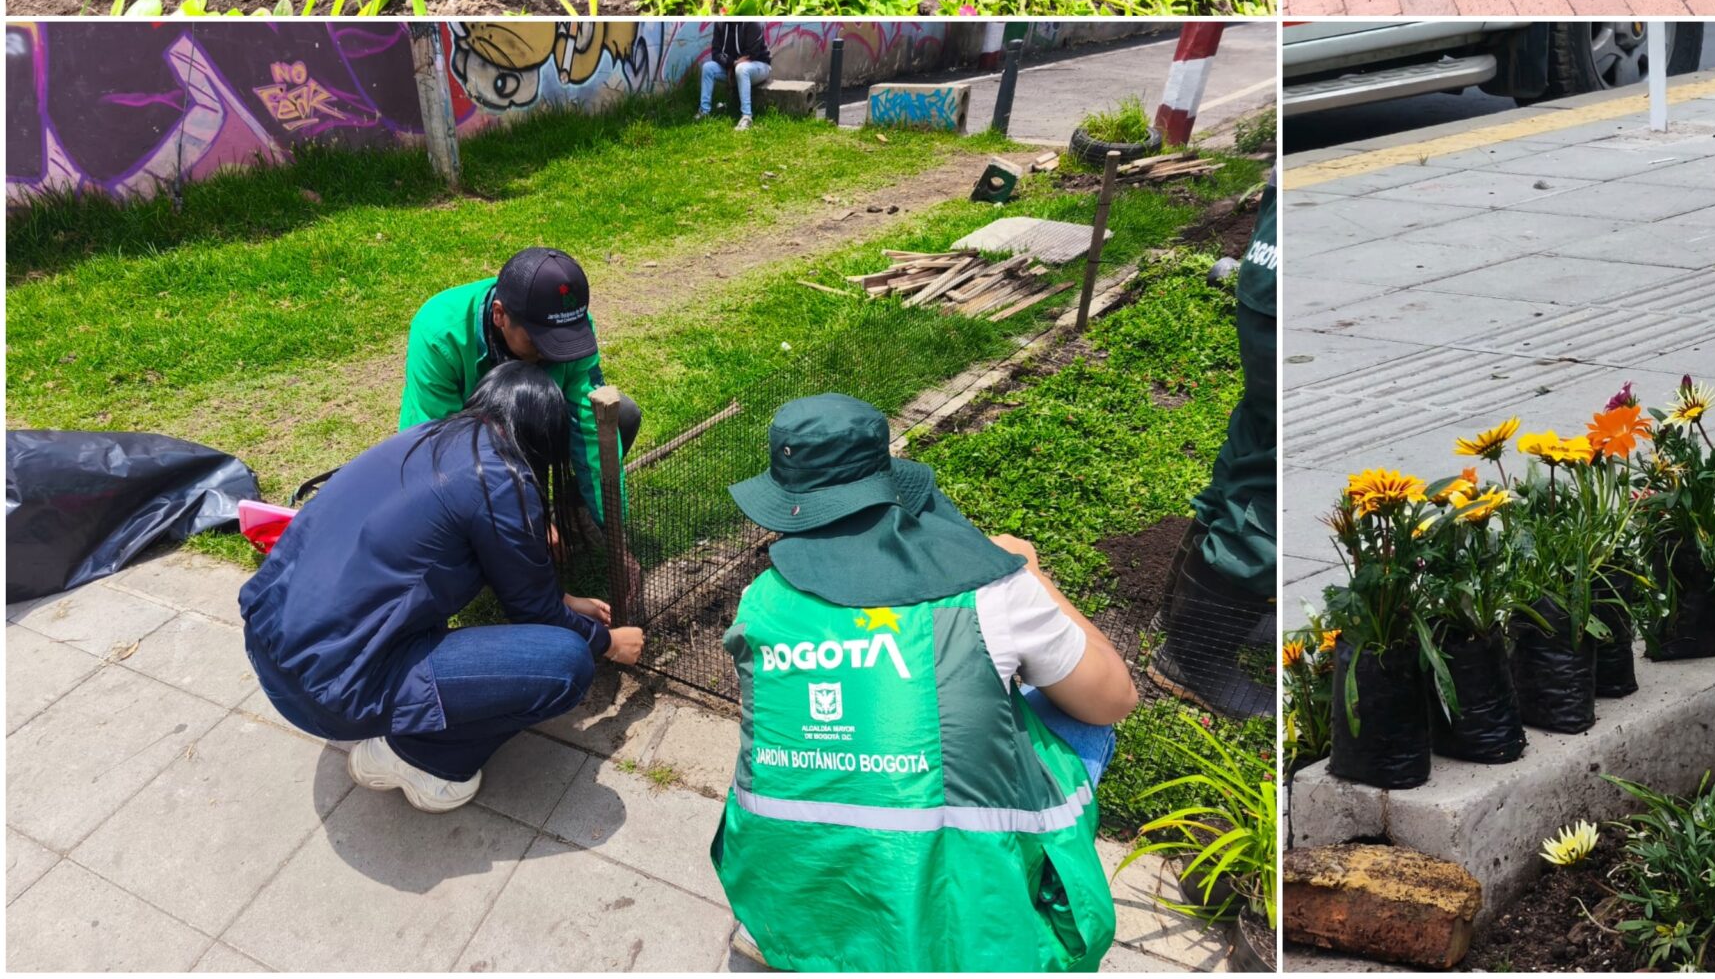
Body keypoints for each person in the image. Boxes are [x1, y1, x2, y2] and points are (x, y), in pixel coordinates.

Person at [712, 394, 1138, 972]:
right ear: (886, 484)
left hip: (791, 913)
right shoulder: (988, 594)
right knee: (1081, 723)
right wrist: (1029, 573)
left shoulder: (758, 603)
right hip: (970, 933)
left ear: (791, 503)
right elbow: (1116, 697)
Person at [239, 362, 645, 812]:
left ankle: (396, 713)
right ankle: (418, 760)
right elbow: (534, 614)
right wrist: (607, 642)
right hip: (325, 693)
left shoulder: (431, 438)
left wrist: (565, 600)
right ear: (544, 433)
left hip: (270, 642)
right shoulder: (501, 480)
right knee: (566, 664)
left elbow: (504, 567)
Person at [400, 247, 635, 532]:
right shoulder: (439, 334)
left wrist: (614, 532)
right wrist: (525, 517)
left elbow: (591, 427)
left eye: (561, 344)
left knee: (624, 416)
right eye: (540, 343)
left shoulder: (570, 328)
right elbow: (442, 451)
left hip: (529, 431)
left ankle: (573, 510)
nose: (550, 355)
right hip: (461, 445)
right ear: (499, 315)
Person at [1151, 183, 1275, 717]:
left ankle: (1182, 616)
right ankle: (1192, 654)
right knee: (1272, 479)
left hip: (1274, 268)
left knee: (1257, 442)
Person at [698, 18, 774, 129]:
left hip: (759, 66)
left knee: (742, 69)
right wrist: (732, 63)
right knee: (708, 68)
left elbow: (751, 54)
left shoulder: (752, 22)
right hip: (734, 66)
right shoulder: (720, 23)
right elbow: (716, 53)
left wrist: (734, 65)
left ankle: (747, 116)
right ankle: (704, 111)